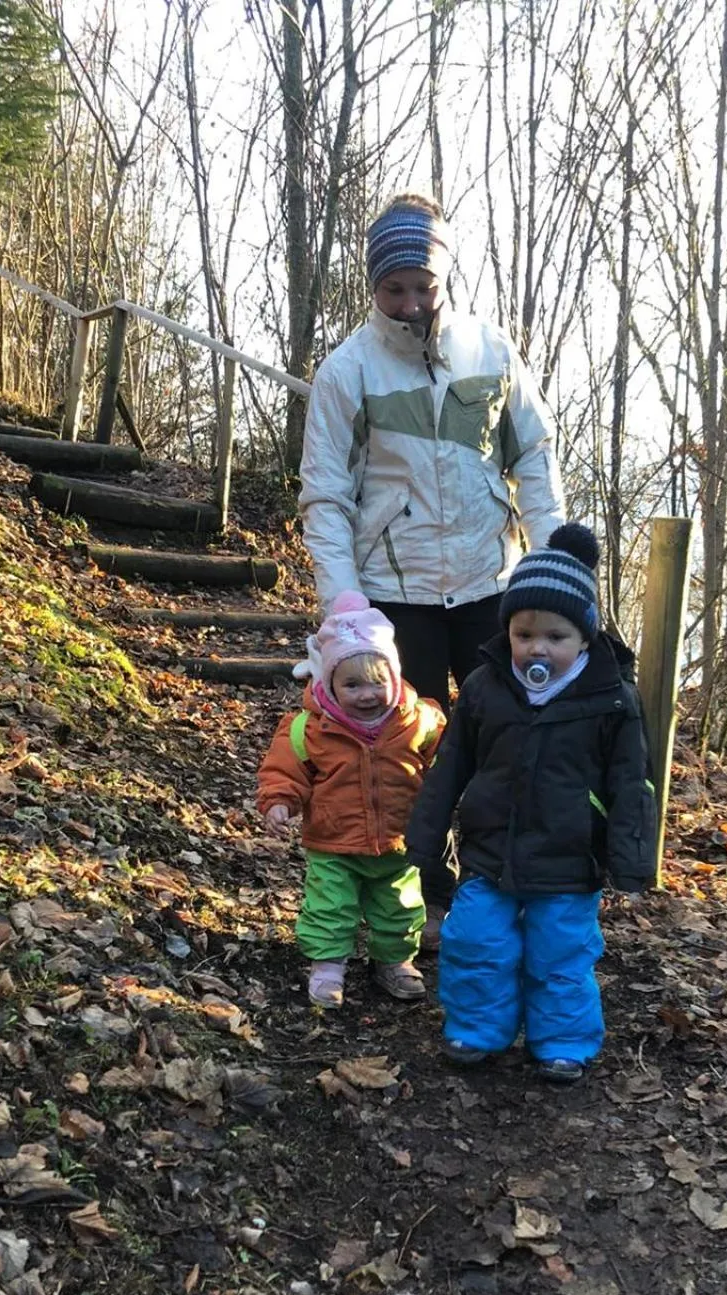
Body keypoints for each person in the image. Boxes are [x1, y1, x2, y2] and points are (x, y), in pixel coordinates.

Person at [298, 191, 565, 933]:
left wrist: (556, 564)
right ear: (373, 287)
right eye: (395, 288)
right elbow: (324, 497)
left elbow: (535, 458)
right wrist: (344, 605)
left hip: (489, 581)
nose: (412, 302)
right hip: (391, 595)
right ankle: (420, 901)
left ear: (446, 277)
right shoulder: (347, 371)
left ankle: (491, 887)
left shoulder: (491, 350)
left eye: (425, 285)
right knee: (404, 754)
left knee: (498, 740)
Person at [406, 524, 657, 1083]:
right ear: (508, 633)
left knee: (559, 954)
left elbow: (630, 780)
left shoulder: (610, 698)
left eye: (555, 635)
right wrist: (424, 837)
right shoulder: (484, 687)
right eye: (523, 634)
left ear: (584, 638)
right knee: (474, 941)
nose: (536, 648)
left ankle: (562, 1042)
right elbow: (451, 767)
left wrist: (630, 858)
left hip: (569, 857)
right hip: (490, 852)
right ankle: (477, 1029)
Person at [257, 591, 446, 1009]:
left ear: (394, 678)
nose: (367, 694)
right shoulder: (309, 728)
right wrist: (280, 801)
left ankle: (394, 961)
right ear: (329, 684)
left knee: (400, 906)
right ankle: (328, 965)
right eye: (352, 684)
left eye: (378, 682)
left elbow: (449, 763)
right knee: (330, 906)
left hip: (398, 840)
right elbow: (284, 770)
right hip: (332, 842)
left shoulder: (422, 723)